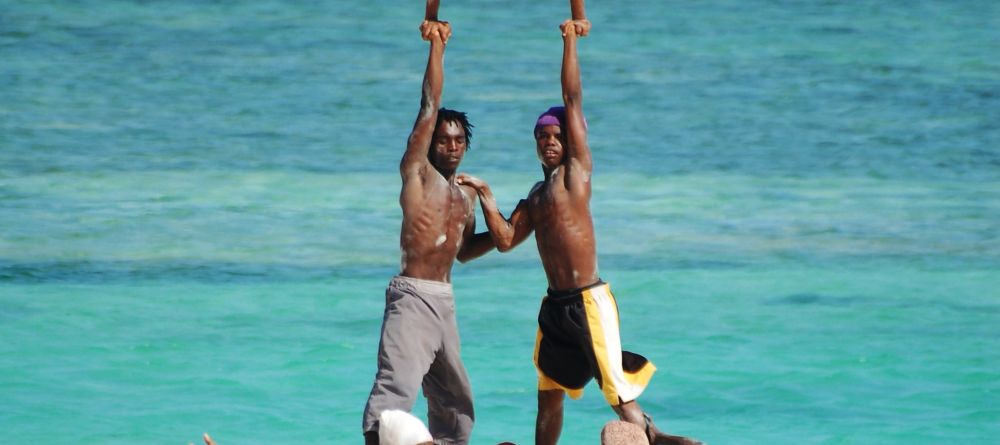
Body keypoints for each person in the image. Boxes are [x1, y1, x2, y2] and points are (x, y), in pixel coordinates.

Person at [456, 14, 703, 445]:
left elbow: (571, 98)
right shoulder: (534, 196)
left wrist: (570, 40)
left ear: (569, 141)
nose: (548, 141)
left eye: (555, 135)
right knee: (548, 392)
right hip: (555, 307)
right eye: (541, 136)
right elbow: (505, 240)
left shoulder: (575, 174)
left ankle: (657, 437)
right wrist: (484, 195)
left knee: (615, 387)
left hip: (588, 300)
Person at [361, 15, 494, 445]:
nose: (451, 146)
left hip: (445, 301)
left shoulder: (465, 196)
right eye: (444, 139)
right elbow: (429, 105)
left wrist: (509, 219)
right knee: (395, 390)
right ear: (430, 143)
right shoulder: (418, 174)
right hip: (413, 295)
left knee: (456, 402)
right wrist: (438, 46)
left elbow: (466, 250)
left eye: (458, 141)